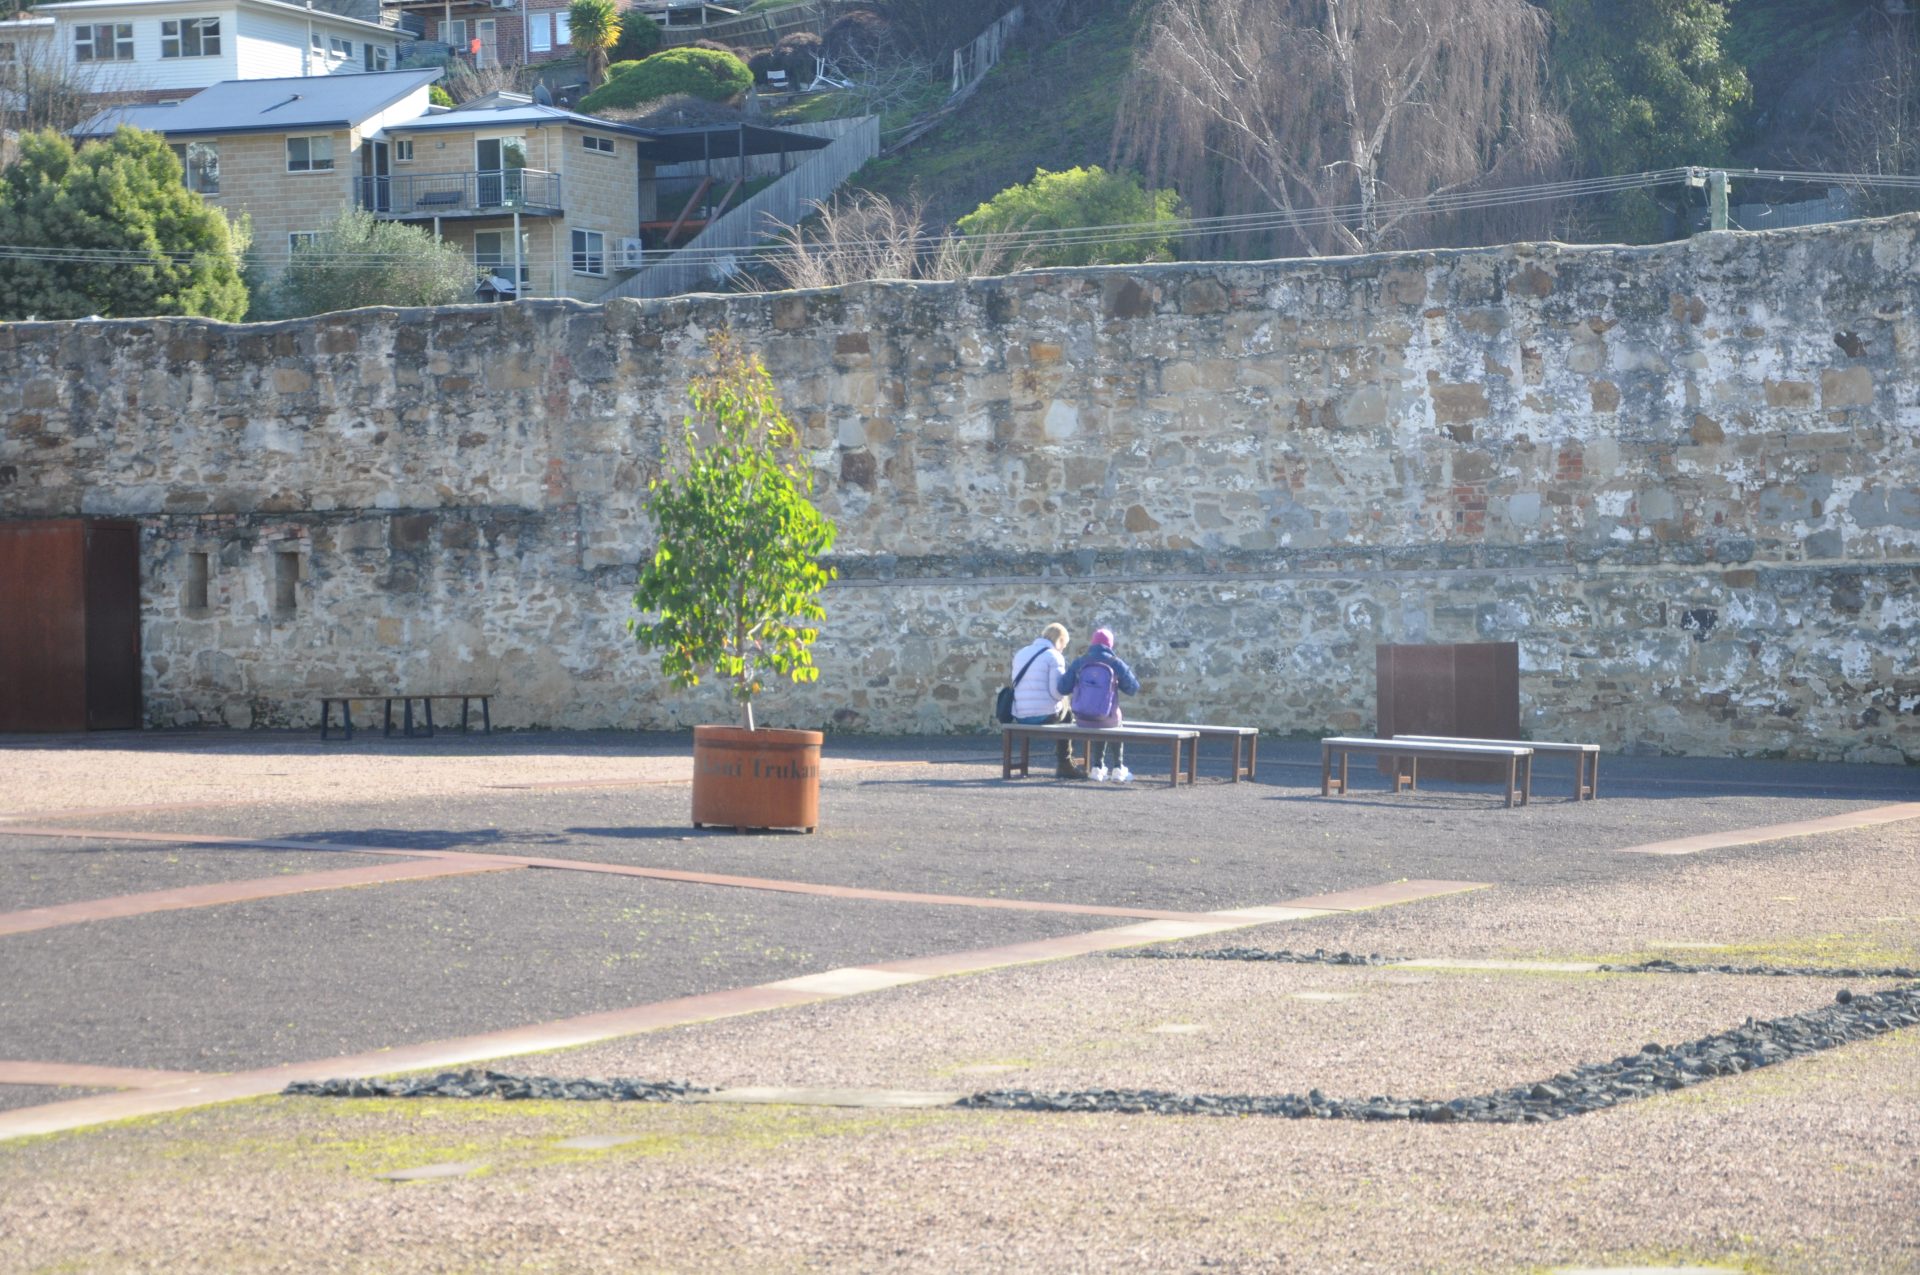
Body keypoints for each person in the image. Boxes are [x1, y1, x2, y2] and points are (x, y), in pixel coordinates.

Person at [1058, 627, 1139, 782]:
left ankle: (1097, 767)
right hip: (1108, 719)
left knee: (1099, 720)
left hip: (1082, 718)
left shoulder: (1080, 662)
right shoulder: (1115, 662)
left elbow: (1062, 688)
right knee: (1113, 718)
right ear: (1110, 645)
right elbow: (1133, 688)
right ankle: (1118, 767)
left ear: (1093, 643)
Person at [1010, 622, 1084, 778]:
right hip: (1043, 716)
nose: (1063, 649)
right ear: (1060, 640)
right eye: (1064, 644)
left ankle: (1064, 762)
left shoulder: (1021, 653)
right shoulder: (1054, 656)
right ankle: (1065, 763)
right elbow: (1056, 693)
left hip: (1020, 715)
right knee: (1068, 713)